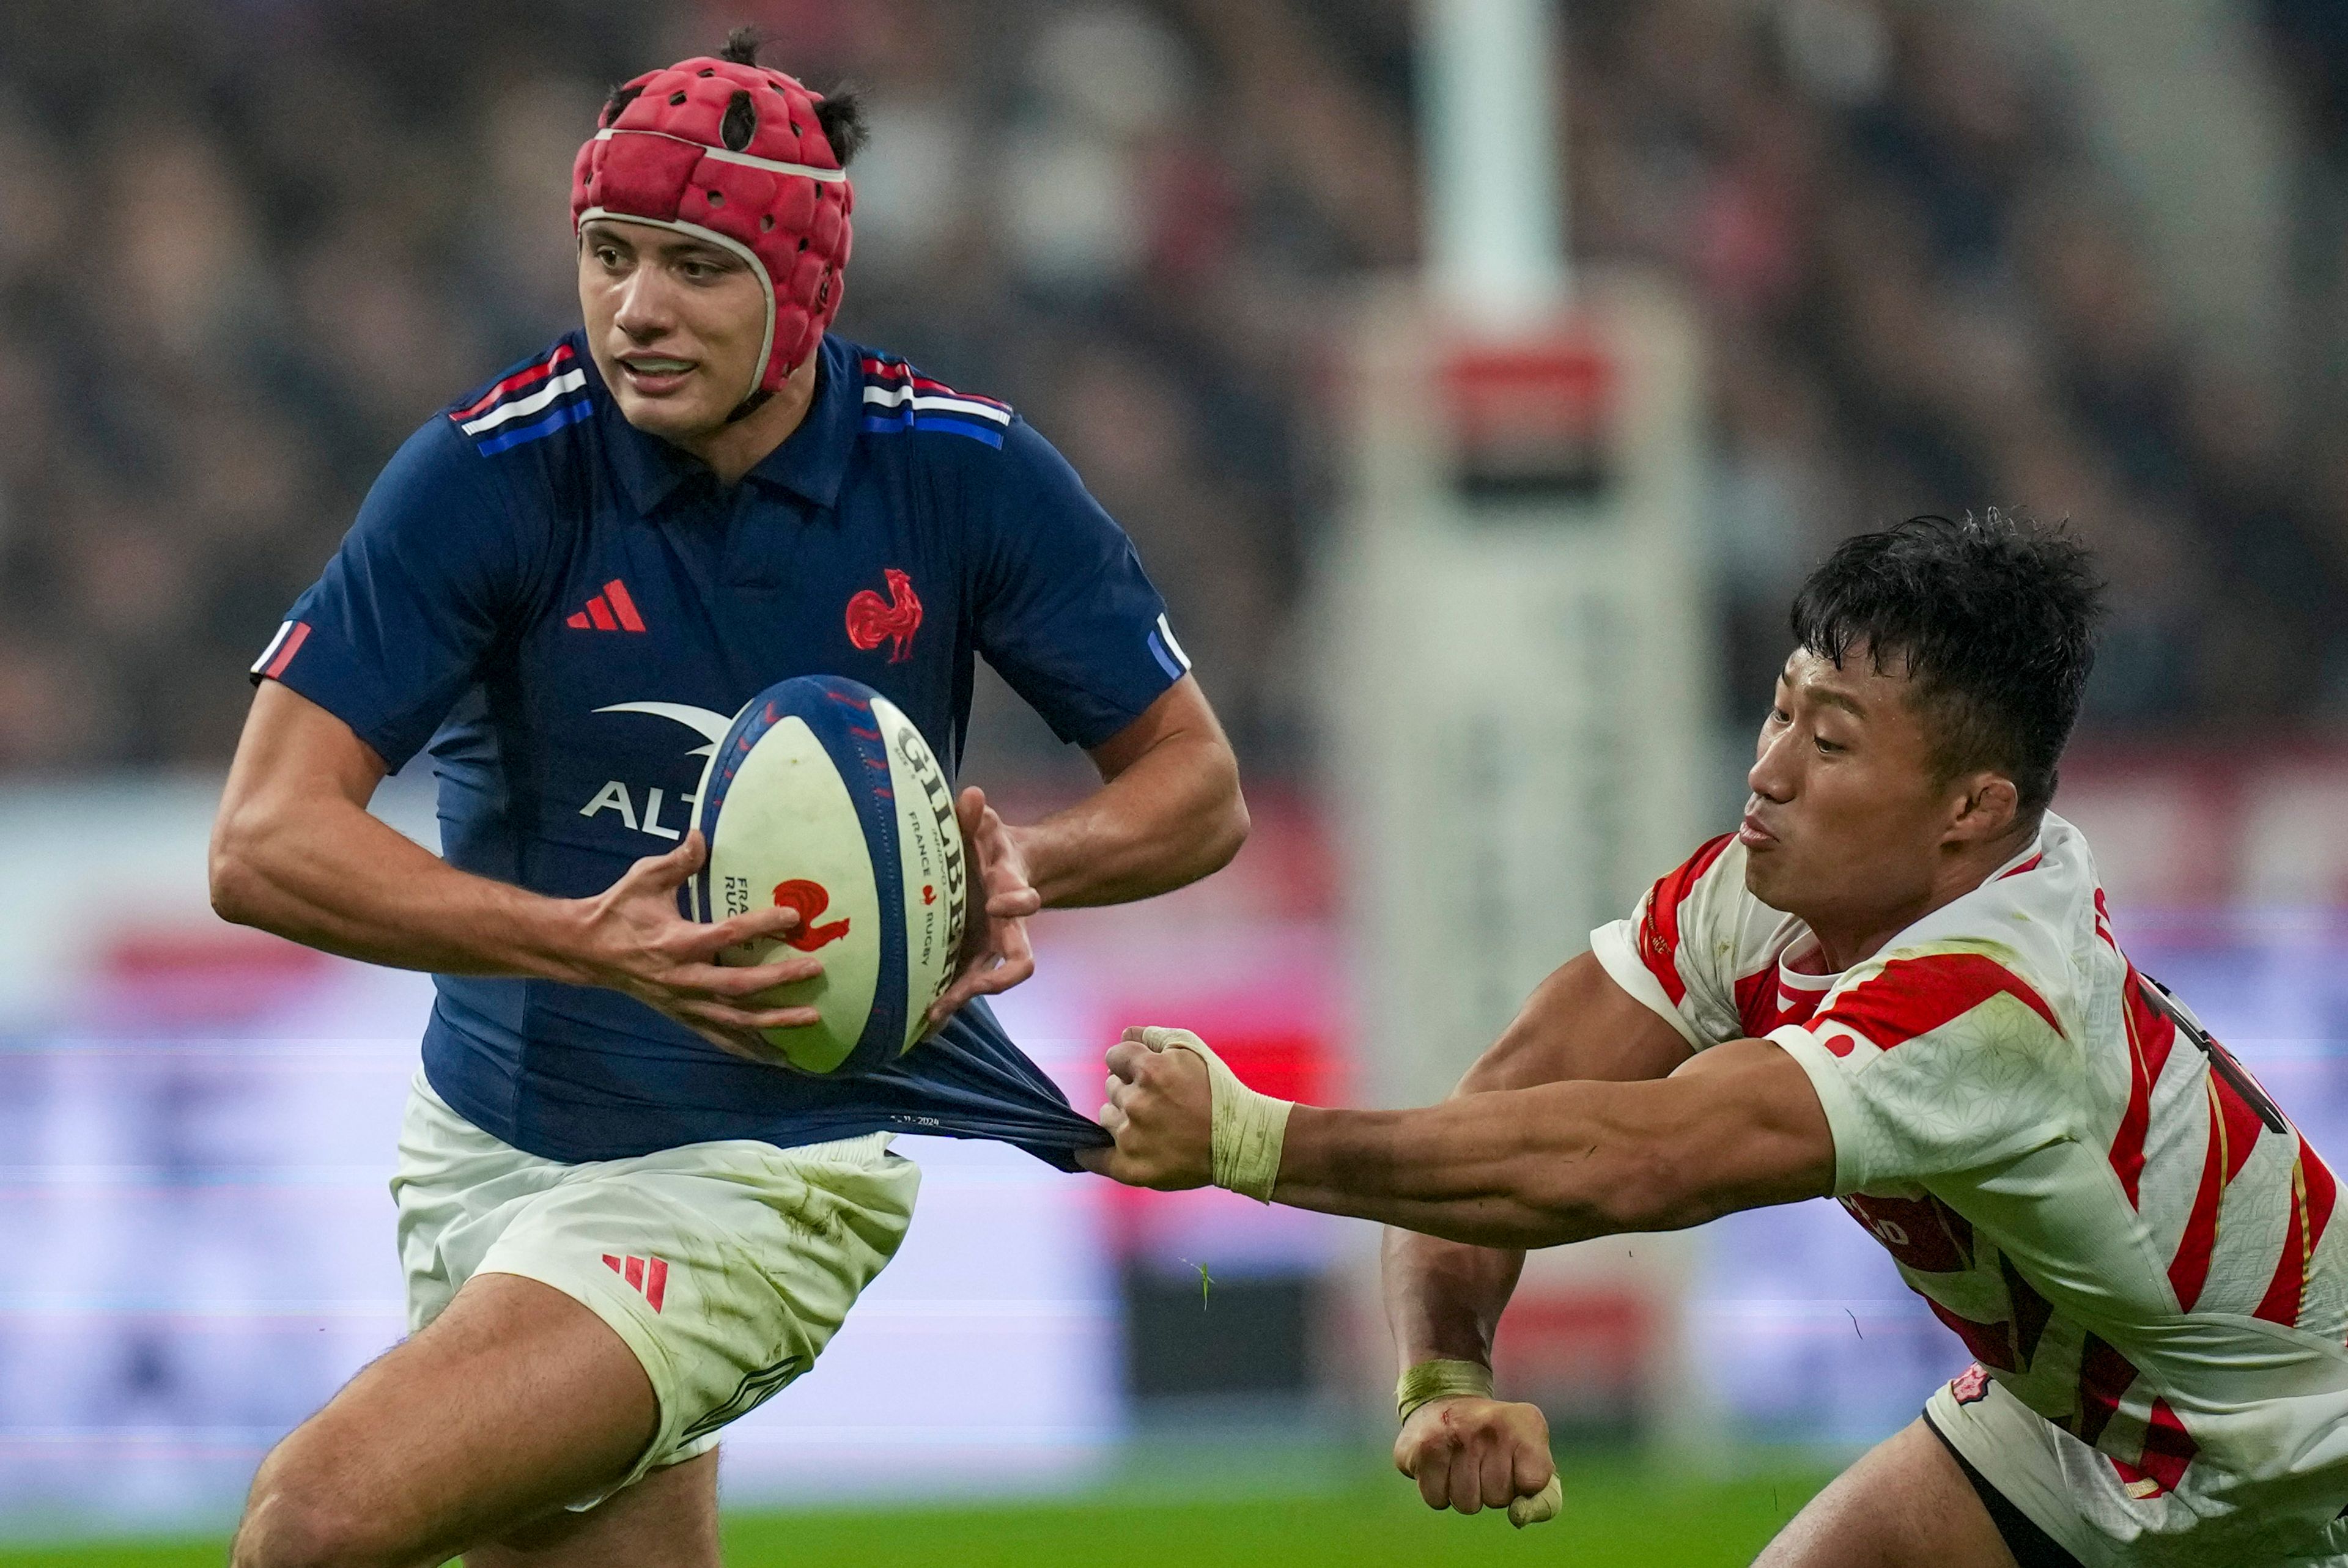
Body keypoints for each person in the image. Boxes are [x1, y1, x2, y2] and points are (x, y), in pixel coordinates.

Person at [210, 29, 1247, 1568]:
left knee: (316, 1519)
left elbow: (1196, 788)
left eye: (694, 266)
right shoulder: (491, 473)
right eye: (607, 253)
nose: (635, 309)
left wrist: (996, 871)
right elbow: (261, 843)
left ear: (803, 285)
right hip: (485, 1149)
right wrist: (586, 941)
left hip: (769, 1165)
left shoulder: (961, 474)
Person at [1086, 513, 2348, 1568]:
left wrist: (1248, 1138)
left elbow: (1631, 1159)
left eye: (1833, 739)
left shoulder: (1993, 996)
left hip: (2296, 1461)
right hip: (2075, 1423)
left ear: (1972, 810)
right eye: (1782, 710)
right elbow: (1511, 1106)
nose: (1772, 769)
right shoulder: (1762, 892)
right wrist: (1446, 1368)